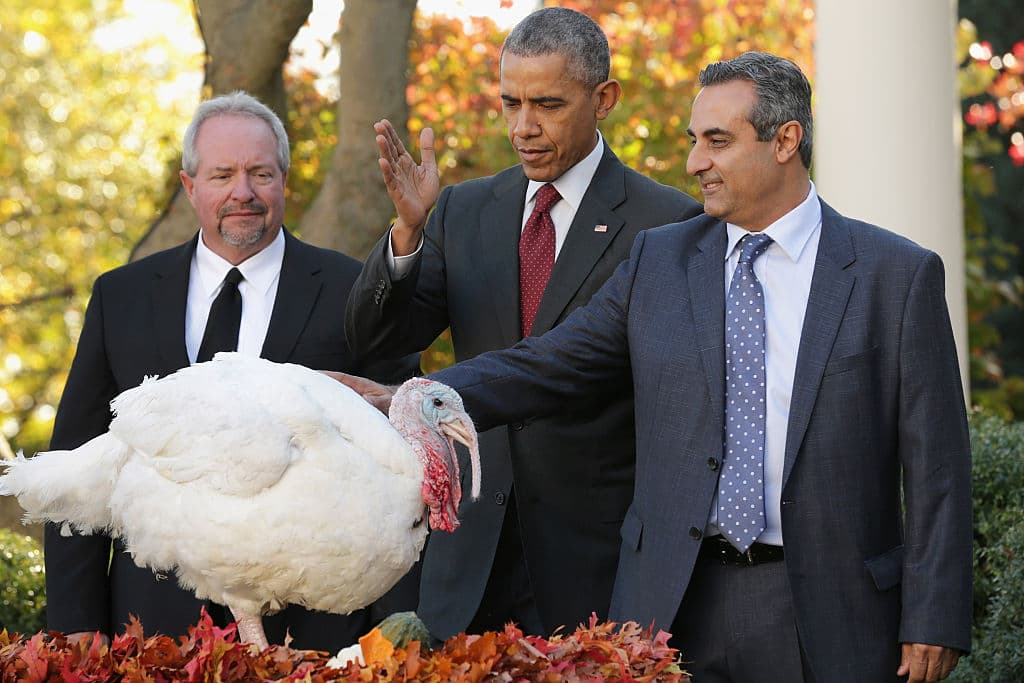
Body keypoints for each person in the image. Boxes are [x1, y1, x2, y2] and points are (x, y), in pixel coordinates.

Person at [340, 52, 972, 682]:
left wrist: (934, 615)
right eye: (694, 142)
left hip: (828, 608)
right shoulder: (661, 259)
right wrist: (420, 395)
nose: (696, 162)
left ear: (785, 140)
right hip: (671, 602)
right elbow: (549, 364)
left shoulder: (894, 274)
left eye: (718, 142)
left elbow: (938, 465)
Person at [344, 7, 701, 640]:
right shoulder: (462, 208)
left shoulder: (667, 223)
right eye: (510, 102)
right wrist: (407, 232)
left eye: (548, 105)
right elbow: (378, 342)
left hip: (595, 562)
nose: (523, 127)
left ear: (604, 98)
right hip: (467, 555)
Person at [44, 91, 420, 650]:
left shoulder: (352, 291)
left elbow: (405, 458)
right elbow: (76, 463)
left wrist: (384, 635)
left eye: (260, 173)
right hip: (151, 632)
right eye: (222, 174)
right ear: (189, 185)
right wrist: (76, 625)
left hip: (313, 635)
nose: (242, 192)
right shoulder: (120, 297)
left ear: (284, 181)